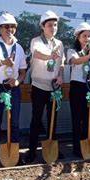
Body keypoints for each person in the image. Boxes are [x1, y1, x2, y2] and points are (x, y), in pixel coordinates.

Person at [0, 13, 27, 165]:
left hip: (13, 89)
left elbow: (22, 72)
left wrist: (18, 82)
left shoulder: (19, 48)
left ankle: (14, 152)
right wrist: (4, 61)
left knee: (14, 123)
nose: (10, 29)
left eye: (13, 26)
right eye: (6, 26)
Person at [25, 10, 65, 163]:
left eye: (55, 25)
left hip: (54, 87)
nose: (53, 28)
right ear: (42, 26)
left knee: (53, 119)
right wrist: (50, 56)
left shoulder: (59, 44)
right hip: (39, 87)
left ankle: (53, 148)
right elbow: (37, 54)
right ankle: (32, 151)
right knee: (36, 119)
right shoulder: (36, 41)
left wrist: (60, 75)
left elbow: (61, 63)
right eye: (49, 25)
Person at [67, 22, 90, 158]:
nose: (86, 38)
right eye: (84, 36)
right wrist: (89, 56)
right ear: (78, 37)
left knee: (89, 117)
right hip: (77, 87)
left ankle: (88, 145)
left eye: (88, 36)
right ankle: (77, 148)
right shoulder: (72, 51)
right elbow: (75, 61)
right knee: (77, 118)